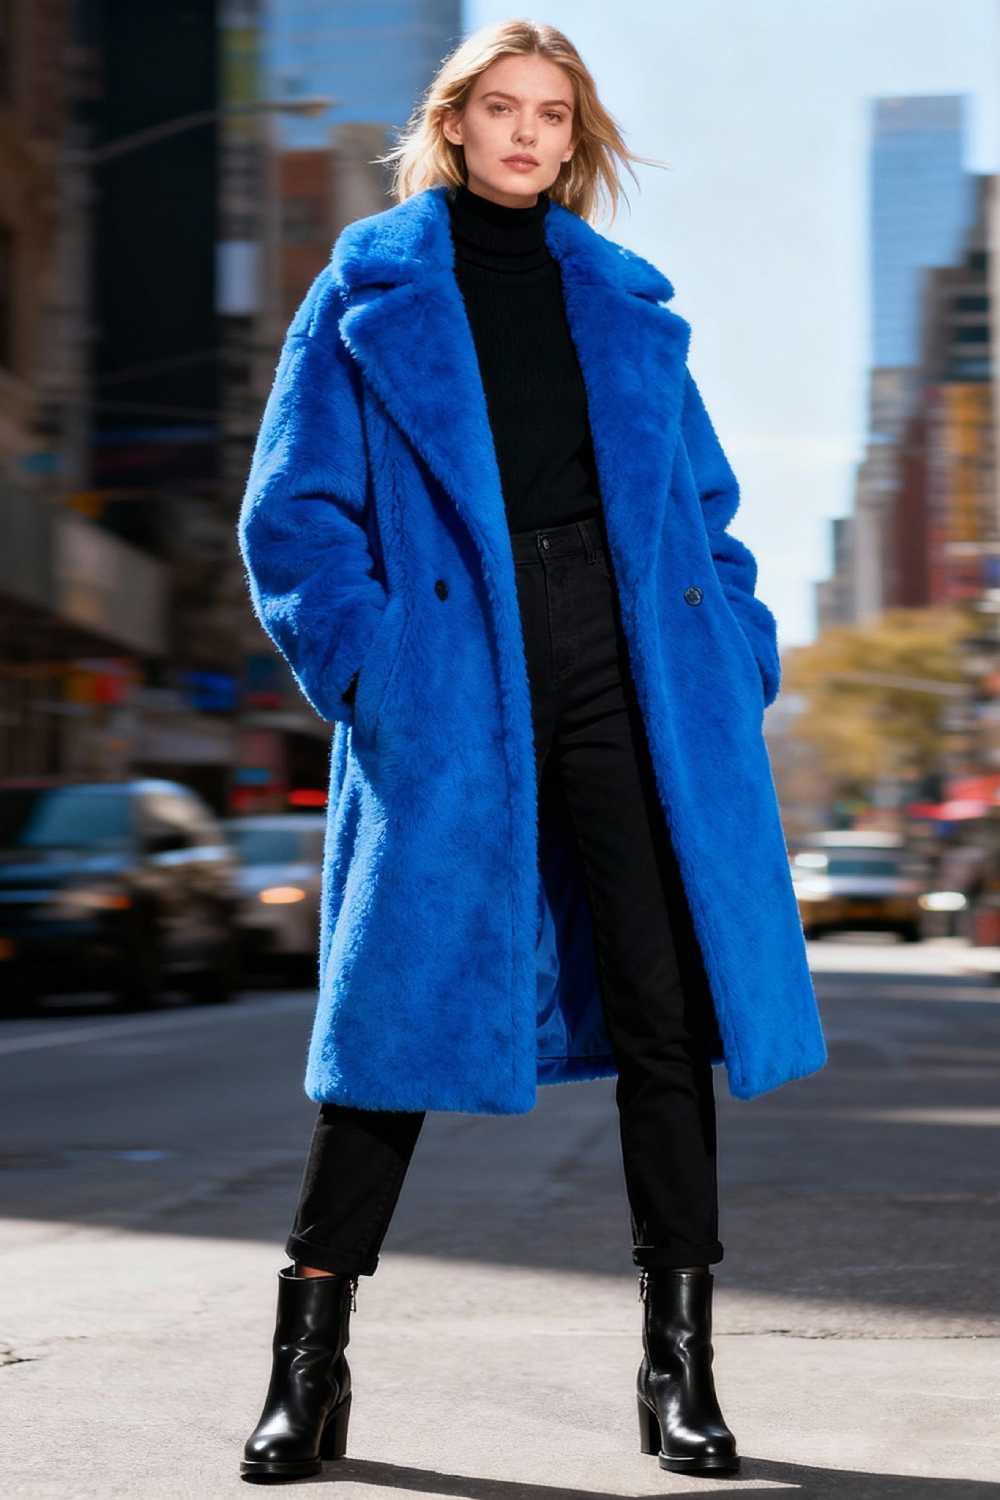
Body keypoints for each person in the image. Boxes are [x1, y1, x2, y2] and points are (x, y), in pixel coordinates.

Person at [236, 17, 827, 1486]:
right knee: (388, 1022)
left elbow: (712, 510)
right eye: (498, 107)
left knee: (660, 1015)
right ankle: (308, 1374)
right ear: (452, 123)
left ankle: (676, 1372)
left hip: (634, 674)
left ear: (576, 139)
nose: (523, 133)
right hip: (456, 670)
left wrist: (733, 657)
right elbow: (293, 519)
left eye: (550, 114)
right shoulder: (363, 291)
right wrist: (378, 671)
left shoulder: (630, 307)